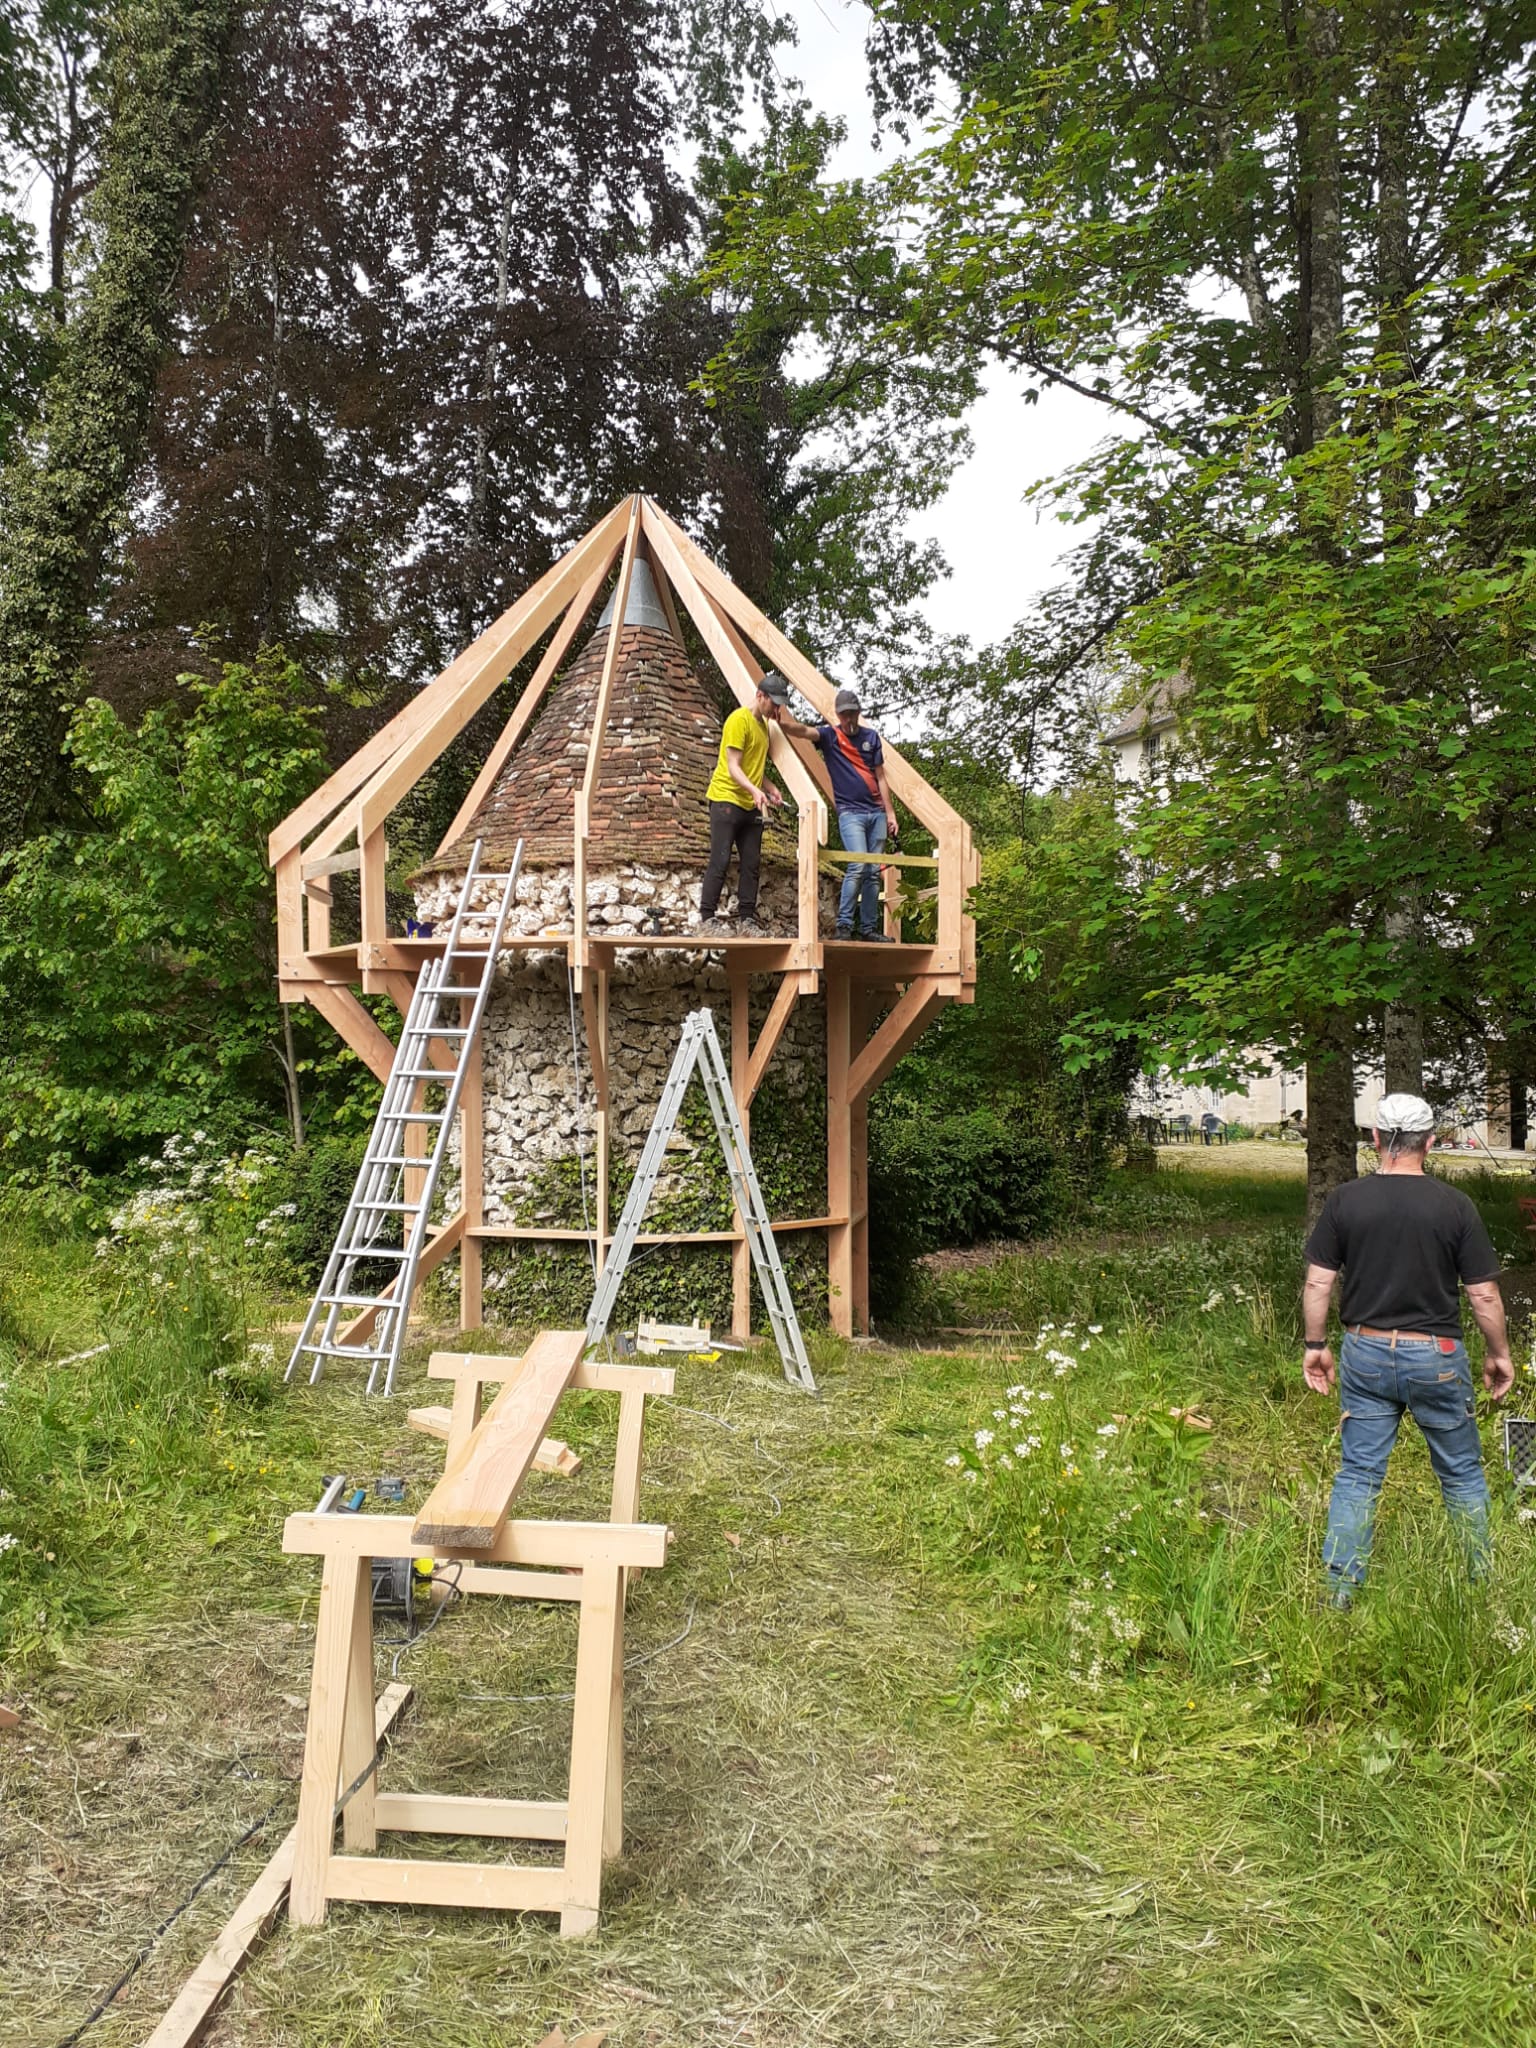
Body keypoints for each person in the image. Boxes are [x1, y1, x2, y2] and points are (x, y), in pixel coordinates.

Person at [1301, 1092, 1513, 1608]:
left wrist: (1316, 1344)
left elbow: (1318, 1284)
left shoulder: (1345, 1201)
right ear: (1431, 1142)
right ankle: (1480, 1588)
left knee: (1358, 1473)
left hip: (1365, 1351)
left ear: (1375, 1139)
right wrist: (1498, 1353)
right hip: (1436, 1357)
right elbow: (1482, 1293)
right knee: (1461, 1472)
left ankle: (1340, 1595)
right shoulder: (1454, 1205)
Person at [797, 685, 899, 940]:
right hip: (850, 813)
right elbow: (804, 731)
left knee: (874, 872)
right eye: (843, 715)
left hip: (875, 812)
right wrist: (781, 723)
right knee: (858, 864)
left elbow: (881, 778)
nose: (848, 719)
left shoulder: (871, 737)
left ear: (858, 713)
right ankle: (844, 925)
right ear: (838, 715)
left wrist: (890, 814)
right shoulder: (830, 736)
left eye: (852, 714)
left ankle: (868, 929)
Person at [698, 672, 792, 936]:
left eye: (779, 705)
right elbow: (733, 767)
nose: (776, 709)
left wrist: (770, 788)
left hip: (751, 805)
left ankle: (747, 920)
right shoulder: (739, 721)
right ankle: (706, 918)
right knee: (721, 858)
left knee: (752, 862)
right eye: (774, 703)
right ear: (759, 696)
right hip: (726, 799)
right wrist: (753, 789)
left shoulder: (762, 727)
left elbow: (754, 769)